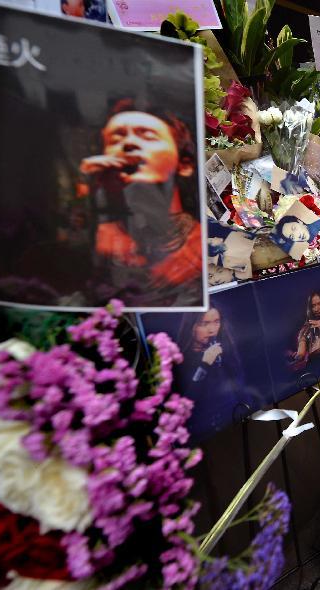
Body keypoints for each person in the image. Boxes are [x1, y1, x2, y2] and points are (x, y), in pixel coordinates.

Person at [80, 100, 202, 306]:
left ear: (185, 164)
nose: (128, 144)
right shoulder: (99, 240)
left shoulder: (201, 244)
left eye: (146, 135)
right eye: (115, 138)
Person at [176, 307, 246, 439]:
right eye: (204, 324)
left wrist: (247, 408)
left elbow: (239, 383)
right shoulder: (181, 358)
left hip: (234, 420)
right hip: (206, 432)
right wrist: (204, 364)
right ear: (191, 326)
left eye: (216, 322)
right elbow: (188, 400)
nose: (212, 330)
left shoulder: (224, 348)